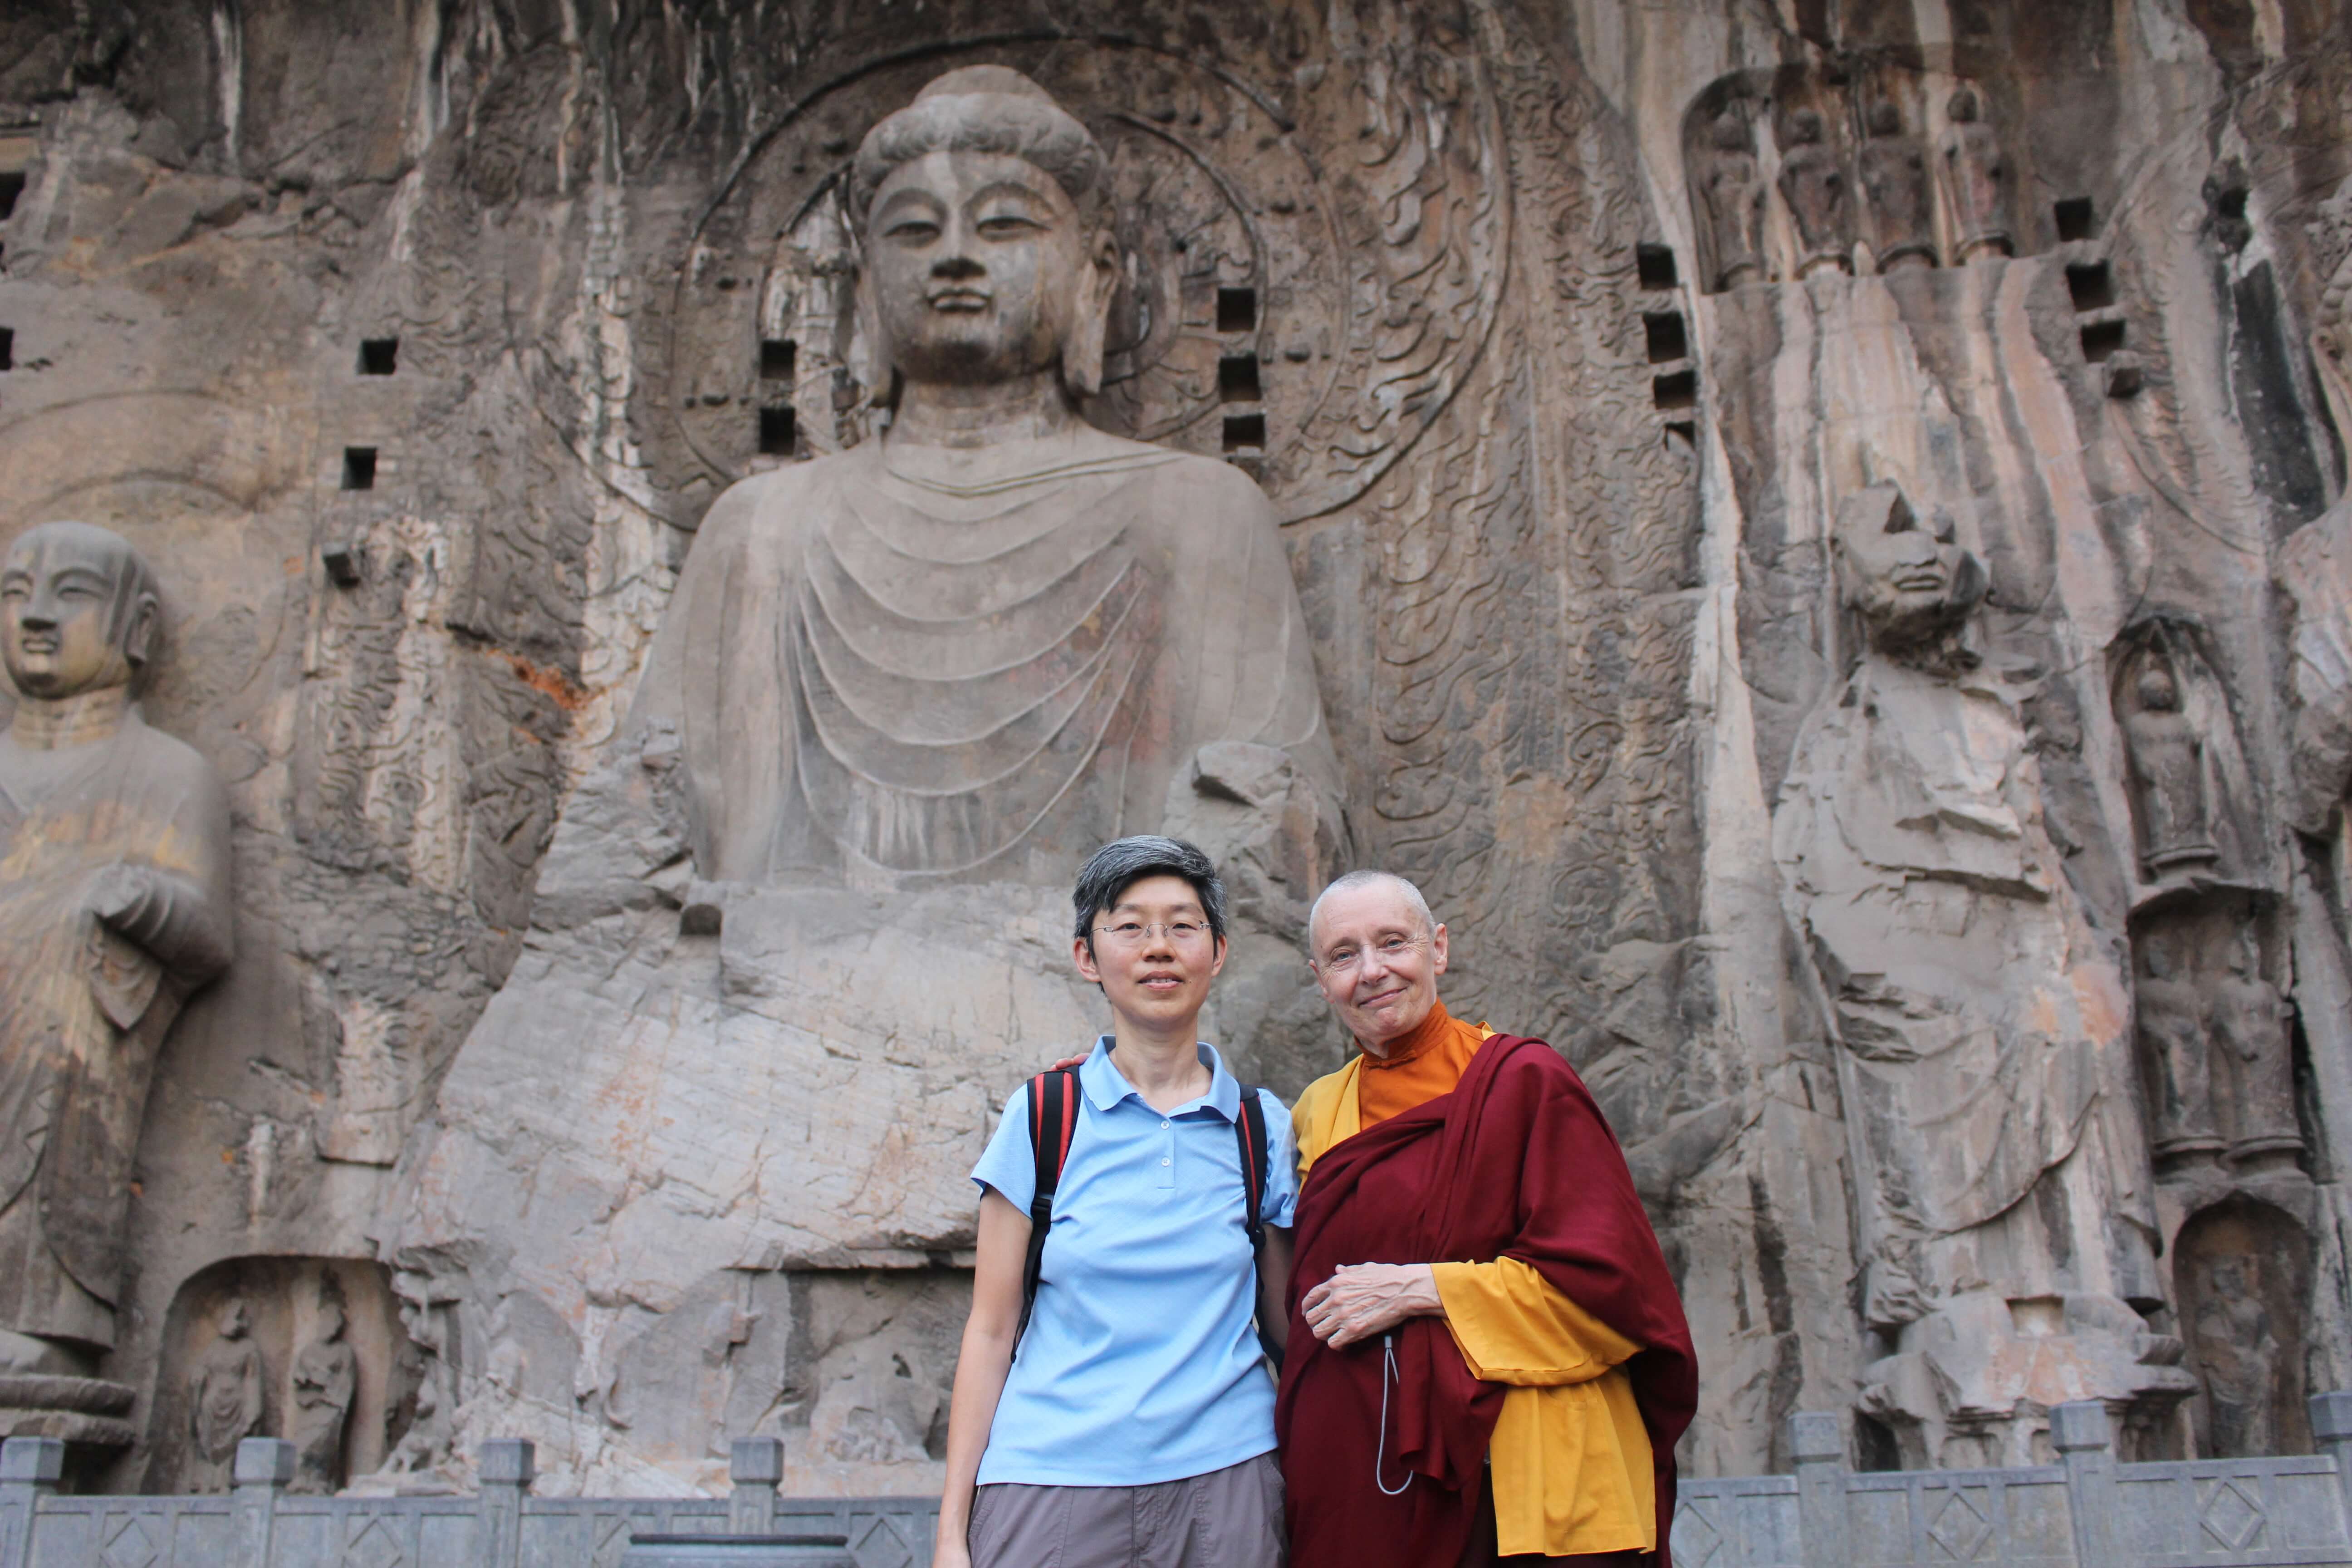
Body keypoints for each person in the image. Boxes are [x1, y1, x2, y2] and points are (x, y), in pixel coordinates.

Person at [1276, 872, 1696, 1567]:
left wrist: (1421, 1289)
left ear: (1437, 949)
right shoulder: (1318, 1110)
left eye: (1393, 943)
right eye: (1345, 955)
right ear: (1320, 978)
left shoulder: (1523, 1081)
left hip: (1530, 1469)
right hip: (1367, 1470)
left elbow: (1615, 1294)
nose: (1373, 971)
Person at [935, 836, 1296, 1568]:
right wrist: (951, 1534)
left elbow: (1286, 1330)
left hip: (1226, 1481)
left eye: (1183, 926)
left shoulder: (1264, 1128)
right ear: (1086, 958)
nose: (1158, 948)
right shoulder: (1043, 1115)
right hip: (1051, 1479)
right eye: (1130, 927)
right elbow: (990, 1330)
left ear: (1219, 952)